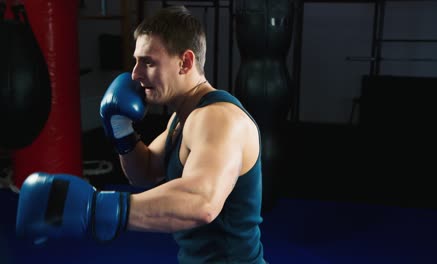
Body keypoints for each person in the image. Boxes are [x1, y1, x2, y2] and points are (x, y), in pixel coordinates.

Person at [16, 5, 266, 263]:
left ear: (185, 62)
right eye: (136, 61)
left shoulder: (217, 118)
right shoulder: (182, 119)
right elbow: (144, 172)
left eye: (148, 62)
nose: (135, 74)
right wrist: (121, 130)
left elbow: (202, 202)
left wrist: (96, 208)